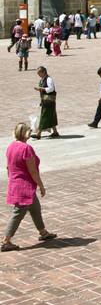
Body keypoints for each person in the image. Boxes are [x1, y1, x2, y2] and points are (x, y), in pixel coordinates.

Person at [2, 123, 57, 252]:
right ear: (26, 134)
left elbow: (8, 167)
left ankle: (43, 232)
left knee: (35, 208)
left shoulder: (11, 146)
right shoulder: (26, 148)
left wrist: (12, 180)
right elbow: (33, 171)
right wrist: (41, 186)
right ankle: (6, 241)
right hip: (25, 186)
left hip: (15, 183)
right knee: (18, 213)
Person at [32, 66, 58, 140]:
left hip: (49, 101)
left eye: (39, 73)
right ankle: (55, 131)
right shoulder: (42, 79)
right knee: (51, 116)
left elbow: (51, 88)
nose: (38, 75)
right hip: (45, 100)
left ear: (43, 72)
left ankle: (38, 134)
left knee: (44, 116)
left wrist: (41, 88)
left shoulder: (49, 79)